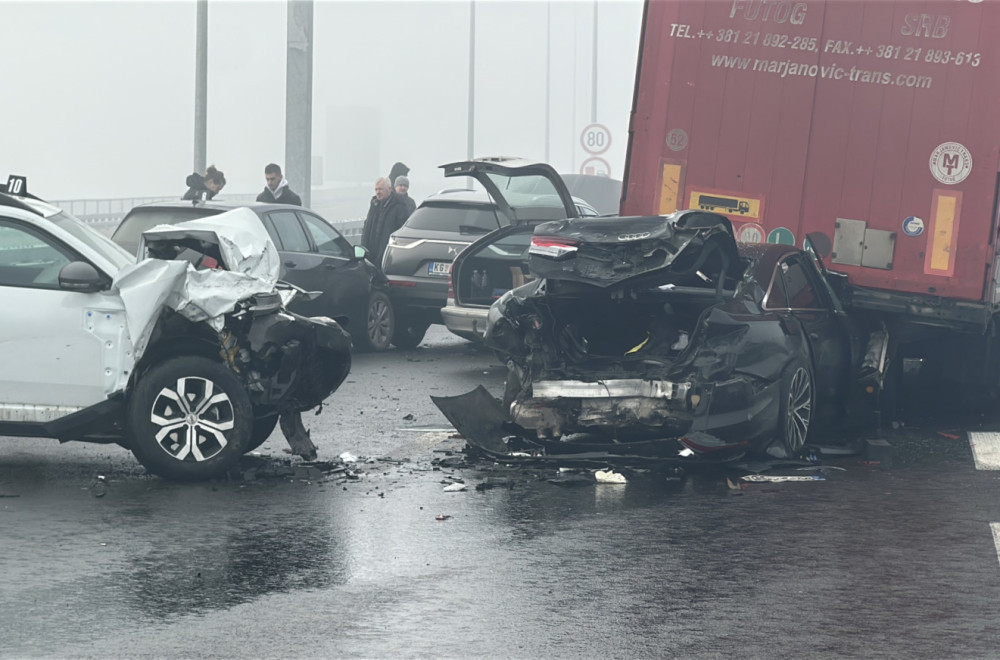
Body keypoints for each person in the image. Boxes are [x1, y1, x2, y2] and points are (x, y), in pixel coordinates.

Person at [360, 176, 409, 269]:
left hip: (388, 256)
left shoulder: (399, 206)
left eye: (381, 189)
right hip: (370, 254)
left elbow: (402, 231)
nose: (378, 192)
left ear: (390, 189)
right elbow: (367, 227)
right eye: (376, 189)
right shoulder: (374, 204)